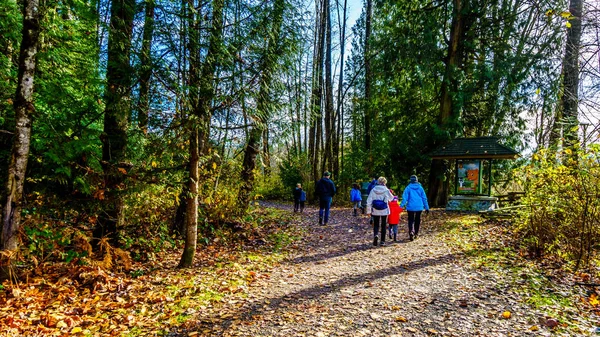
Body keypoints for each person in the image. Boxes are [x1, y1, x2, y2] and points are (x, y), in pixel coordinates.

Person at [400, 175, 430, 241]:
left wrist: (401, 207)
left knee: (411, 220)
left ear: (411, 180)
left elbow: (405, 198)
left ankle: (411, 231)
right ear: (417, 180)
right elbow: (424, 198)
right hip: (419, 206)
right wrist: (427, 207)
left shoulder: (408, 188)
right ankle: (416, 233)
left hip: (410, 207)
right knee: (417, 220)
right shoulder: (420, 188)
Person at [366, 177, 394, 246]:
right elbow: (391, 198)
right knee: (383, 225)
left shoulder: (373, 190)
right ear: (385, 183)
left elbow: (368, 201)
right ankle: (382, 241)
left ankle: (376, 235)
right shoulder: (386, 190)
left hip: (375, 210)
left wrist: (368, 211)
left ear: (377, 182)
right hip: (384, 210)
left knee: (376, 224)